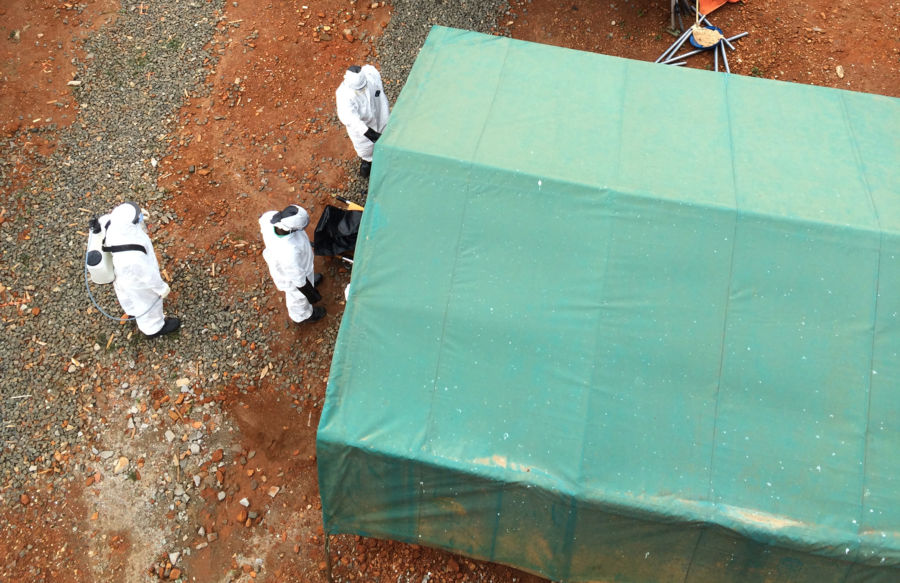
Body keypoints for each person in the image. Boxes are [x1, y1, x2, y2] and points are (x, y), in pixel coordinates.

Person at [103, 202, 181, 338]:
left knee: (126, 296)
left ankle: (131, 311)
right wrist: (161, 288)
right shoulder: (133, 257)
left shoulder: (113, 225)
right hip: (138, 283)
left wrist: (138, 216)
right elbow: (148, 276)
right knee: (147, 302)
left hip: (121, 276)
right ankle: (153, 328)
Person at [259, 204, 326, 324]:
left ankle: (310, 282)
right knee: (299, 297)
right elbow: (298, 280)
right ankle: (302, 316)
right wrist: (310, 293)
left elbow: (261, 218)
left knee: (306, 280)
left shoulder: (270, 218)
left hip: (298, 269)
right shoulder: (289, 252)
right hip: (293, 278)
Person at [335, 64, 390, 178]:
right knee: (366, 148)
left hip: (381, 116)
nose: (362, 90)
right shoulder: (344, 95)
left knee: (386, 137)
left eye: (363, 86)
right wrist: (370, 134)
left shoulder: (370, 74)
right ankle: (367, 161)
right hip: (362, 128)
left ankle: (385, 156)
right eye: (359, 89)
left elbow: (378, 88)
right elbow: (351, 119)